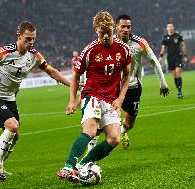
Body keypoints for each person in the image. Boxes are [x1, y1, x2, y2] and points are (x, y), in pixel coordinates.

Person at [0, 21, 71, 181]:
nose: (31, 42)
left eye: (33, 39)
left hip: (10, 98)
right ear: (19, 36)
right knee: (13, 126)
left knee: (16, 135)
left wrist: (72, 84)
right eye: (28, 38)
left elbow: (52, 71)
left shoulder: (34, 56)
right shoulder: (4, 52)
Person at [56, 11, 131, 183]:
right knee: (90, 131)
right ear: (95, 30)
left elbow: (126, 77)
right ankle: (68, 167)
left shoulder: (123, 49)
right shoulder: (89, 50)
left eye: (109, 32)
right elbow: (75, 76)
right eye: (101, 33)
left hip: (111, 99)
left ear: (113, 28)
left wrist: (120, 99)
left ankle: (82, 165)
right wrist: (73, 100)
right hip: (93, 94)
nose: (105, 36)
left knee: (114, 138)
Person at [86, 14, 170, 150]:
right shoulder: (108, 42)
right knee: (100, 120)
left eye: (128, 27)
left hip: (133, 88)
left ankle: (122, 131)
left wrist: (163, 83)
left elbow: (154, 61)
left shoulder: (139, 43)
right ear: (116, 27)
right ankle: (90, 154)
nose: (126, 29)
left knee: (129, 124)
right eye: (123, 26)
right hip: (113, 87)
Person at [159, 21, 187, 99]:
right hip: (170, 58)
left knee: (178, 72)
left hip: (178, 57)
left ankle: (179, 91)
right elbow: (163, 48)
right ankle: (178, 89)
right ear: (167, 28)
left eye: (171, 26)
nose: (170, 28)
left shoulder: (178, 36)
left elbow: (183, 45)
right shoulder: (165, 37)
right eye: (169, 27)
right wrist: (161, 56)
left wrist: (185, 56)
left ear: (173, 27)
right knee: (174, 75)